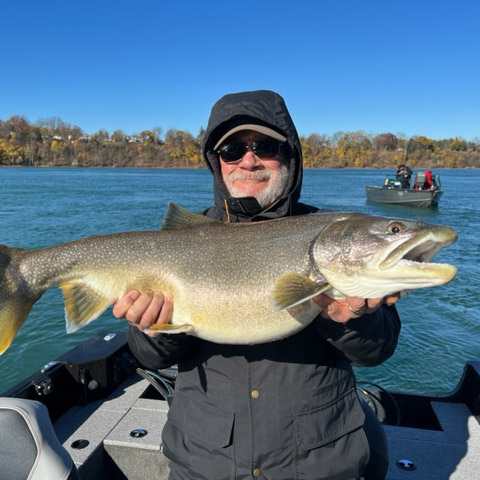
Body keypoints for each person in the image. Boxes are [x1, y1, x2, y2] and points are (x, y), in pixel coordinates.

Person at [113, 90, 402, 480]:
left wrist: (349, 318)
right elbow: (151, 358)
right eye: (232, 149)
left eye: (265, 146)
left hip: (320, 464)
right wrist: (151, 329)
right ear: (218, 164)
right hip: (204, 462)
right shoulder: (178, 243)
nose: (248, 160)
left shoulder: (338, 238)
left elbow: (376, 351)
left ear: (290, 156)